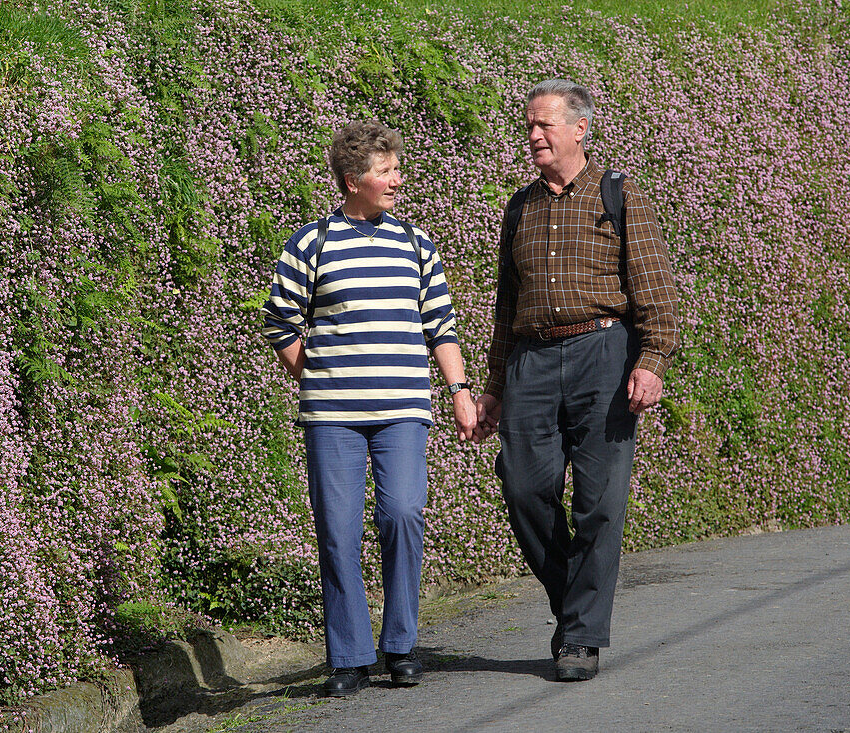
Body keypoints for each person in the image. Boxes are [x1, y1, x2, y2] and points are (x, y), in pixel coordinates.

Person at [473, 79, 680, 681]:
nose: (533, 135)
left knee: (600, 502)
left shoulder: (620, 196)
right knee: (521, 485)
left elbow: (655, 290)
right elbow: (505, 305)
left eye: (545, 125)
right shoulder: (521, 206)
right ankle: (575, 606)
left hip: (603, 355)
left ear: (580, 128)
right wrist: (494, 384)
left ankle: (582, 638)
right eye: (530, 125)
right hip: (531, 360)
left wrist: (651, 361)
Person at [262, 121, 477, 697]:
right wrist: (323, 376)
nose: (397, 180)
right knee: (337, 531)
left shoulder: (416, 244)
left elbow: (441, 327)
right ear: (354, 180)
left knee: (403, 514)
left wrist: (459, 392)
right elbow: (281, 324)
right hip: (332, 416)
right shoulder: (311, 244)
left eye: (395, 169)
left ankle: (401, 645)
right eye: (386, 172)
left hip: (404, 410)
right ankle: (350, 656)